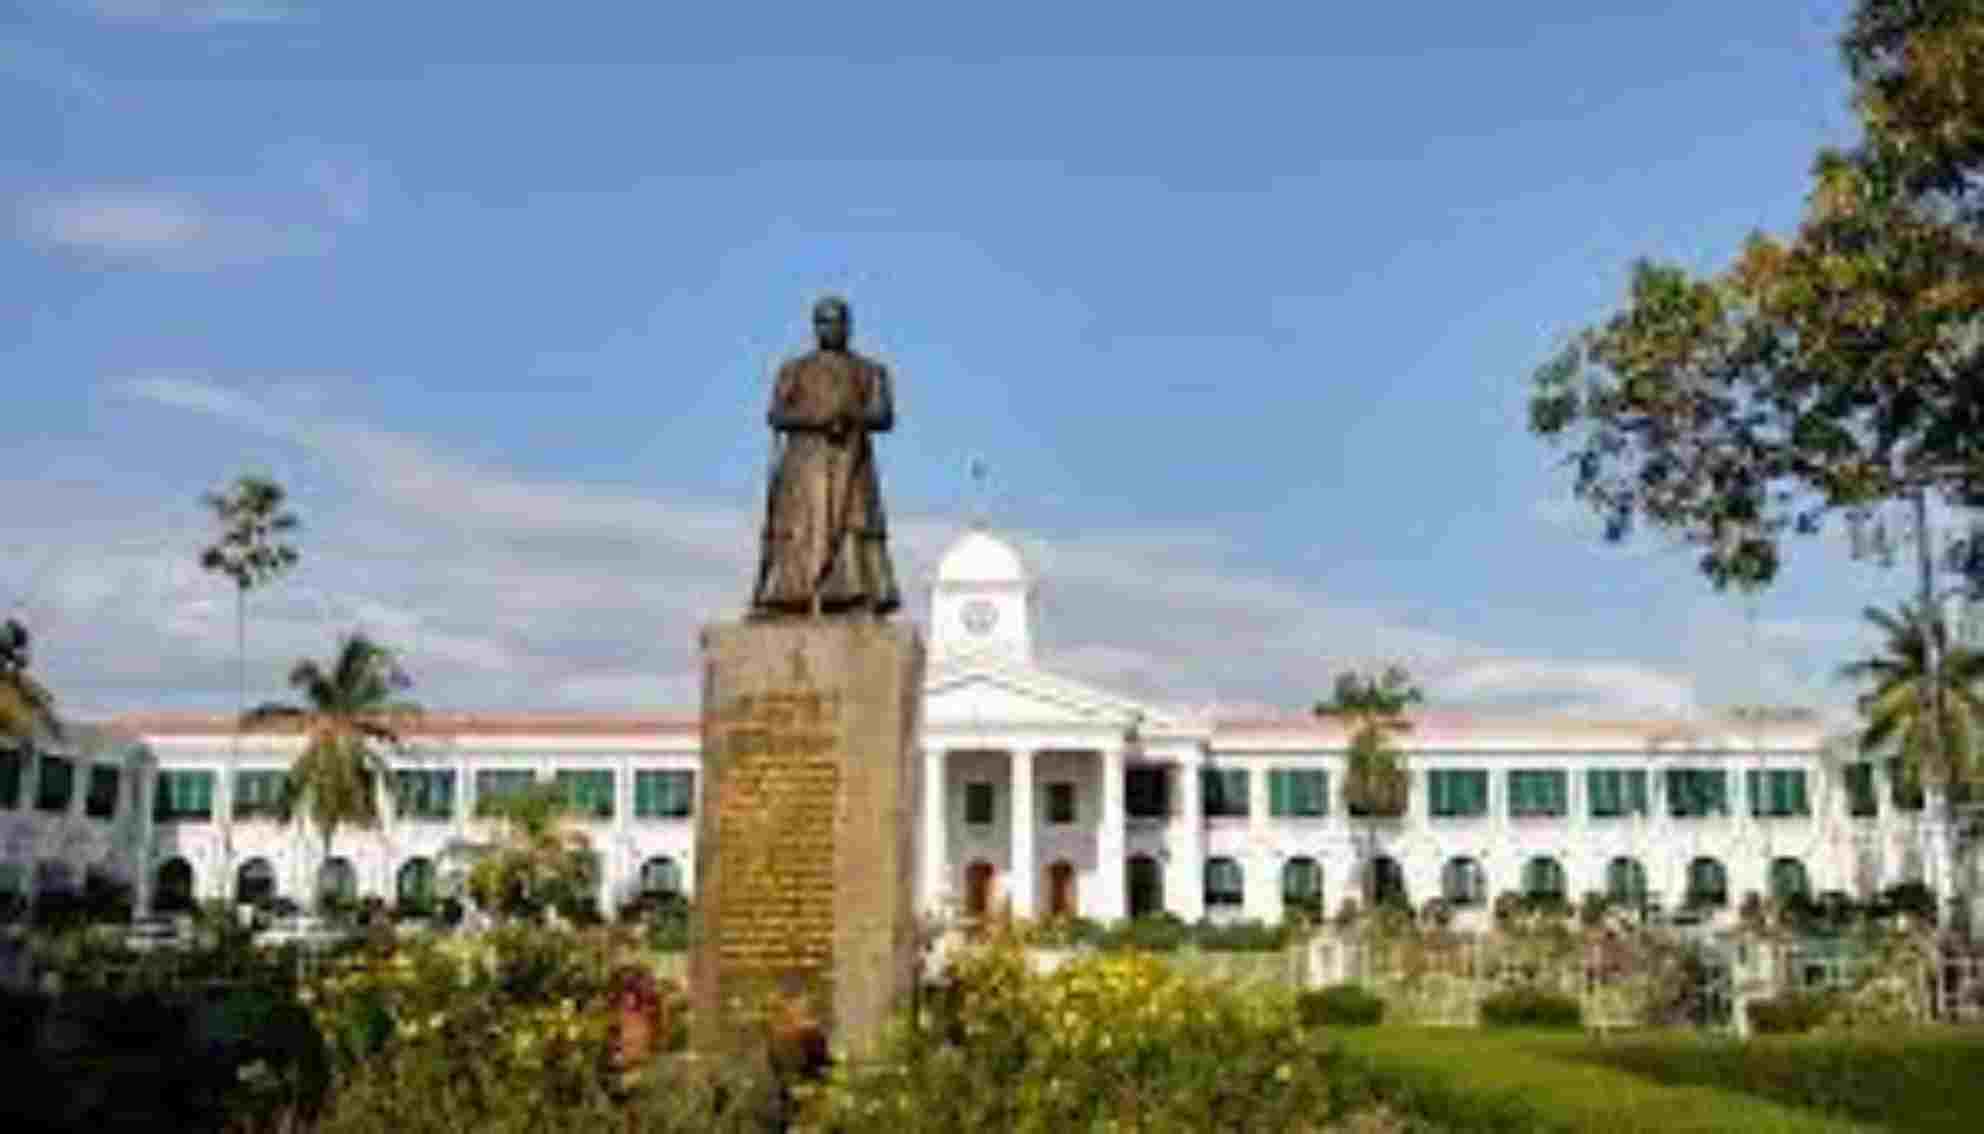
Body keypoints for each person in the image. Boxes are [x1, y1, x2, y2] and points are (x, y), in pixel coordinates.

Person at [751, 296, 902, 616]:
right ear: (813, 327)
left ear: (848, 327)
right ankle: (789, 596)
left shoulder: (871, 371)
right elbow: (776, 414)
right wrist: (817, 420)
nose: (829, 328)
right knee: (799, 526)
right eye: (822, 322)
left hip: (851, 458)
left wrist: (851, 417)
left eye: (835, 322)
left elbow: (884, 416)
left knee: (853, 524)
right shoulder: (794, 370)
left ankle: (854, 595)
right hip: (803, 462)